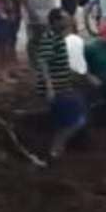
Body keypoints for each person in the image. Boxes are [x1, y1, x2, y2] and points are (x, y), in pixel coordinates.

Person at [33, 9, 88, 158]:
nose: (68, 21)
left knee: (67, 117)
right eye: (65, 18)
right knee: (77, 120)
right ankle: (56, 147)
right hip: (57, 89)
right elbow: (43, 62)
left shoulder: (58, 37)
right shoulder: (49, 38)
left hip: (63, 86)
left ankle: (58, 147)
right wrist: (50, 87)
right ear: (56, 21)